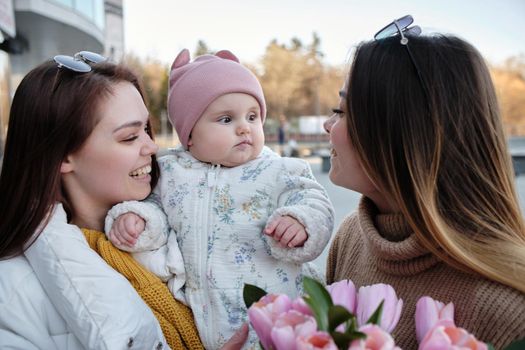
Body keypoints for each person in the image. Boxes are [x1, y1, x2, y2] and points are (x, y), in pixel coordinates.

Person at [0, 52, 248, 349]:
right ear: (64, 155)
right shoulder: (12, 289)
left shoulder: (178, 223)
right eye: (130, 137)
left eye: (146, 129)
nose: (152, 146)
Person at [106, 48, 335, 349]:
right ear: (188, 135)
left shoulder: (278, 170)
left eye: (252, 117)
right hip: (206, 324)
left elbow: (315, 201)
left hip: (281, 319)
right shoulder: (172, 170)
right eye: (226, 119)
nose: (244, 127)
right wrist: (139, 219)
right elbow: (157, 210)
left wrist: (300, 221)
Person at [324, 16, 525, 350]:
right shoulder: (352, 237)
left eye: (341, 111)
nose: (328, 125)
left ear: (401, 134)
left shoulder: (508, 307)